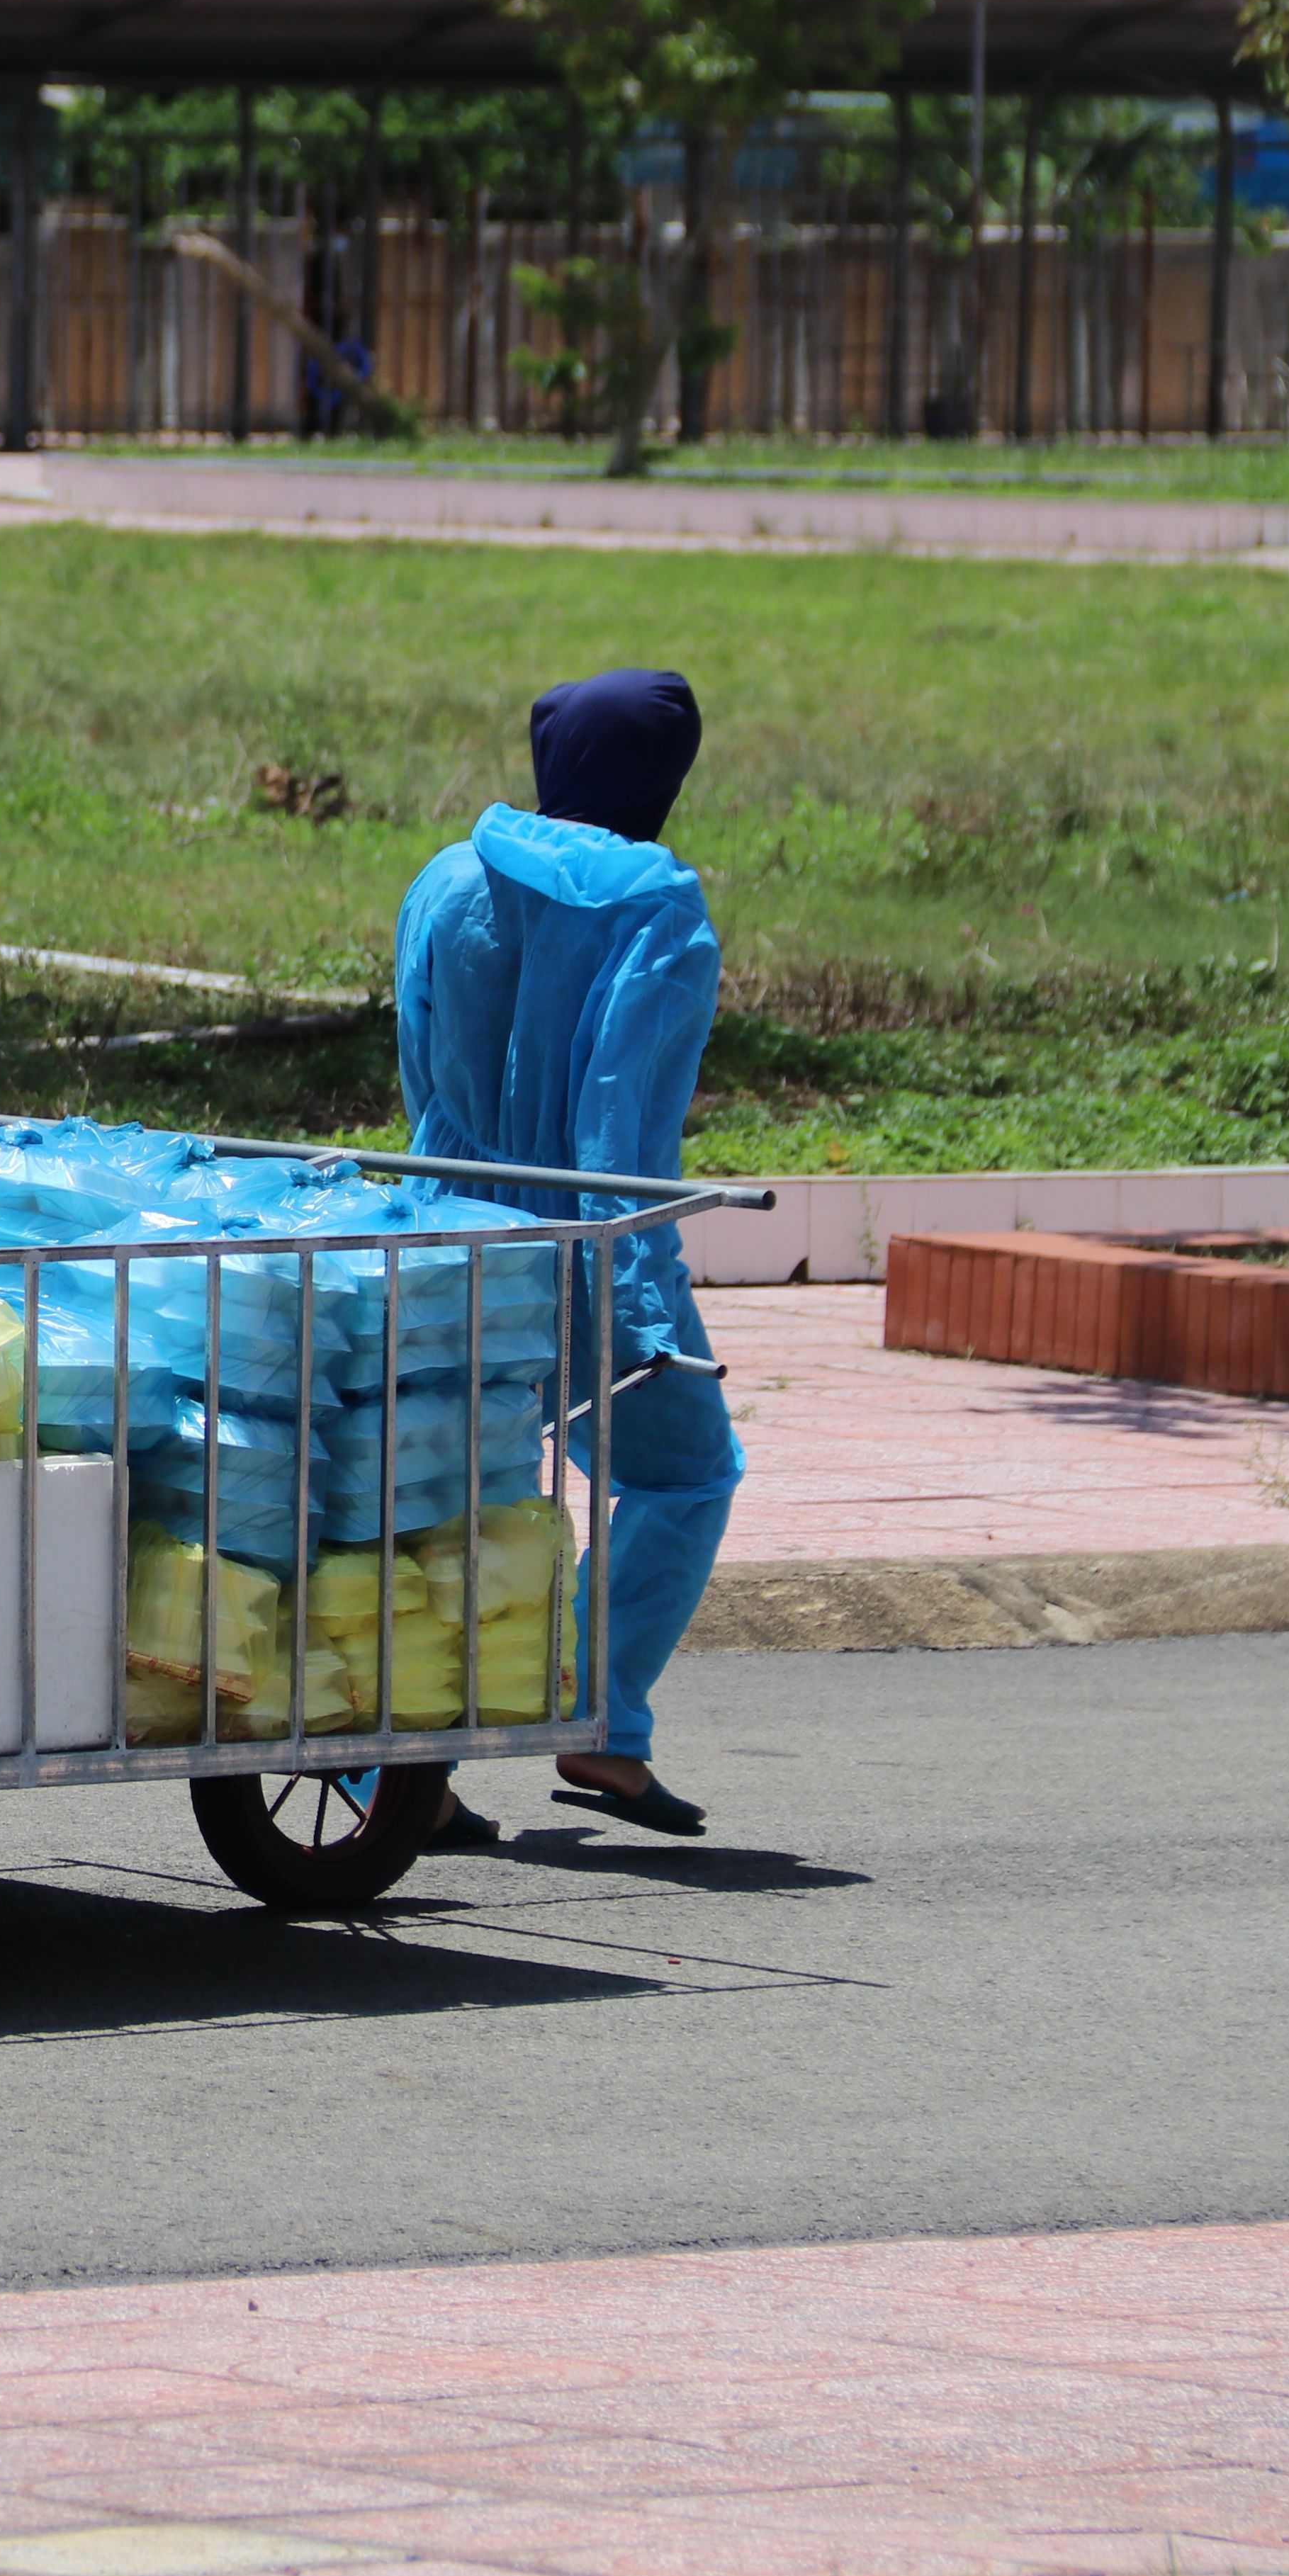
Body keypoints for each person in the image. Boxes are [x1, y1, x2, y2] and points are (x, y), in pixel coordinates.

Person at [393, 667, 738, 1843]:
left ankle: (398, 1769)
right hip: (579, 1246)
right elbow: (621, 1127)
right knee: (687, 1470)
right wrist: (637, 1297)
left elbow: (423, 1074)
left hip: (446, 1237)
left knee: (445, 1497)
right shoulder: (658, 909)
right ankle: (598, 1721)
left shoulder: (446, 881)